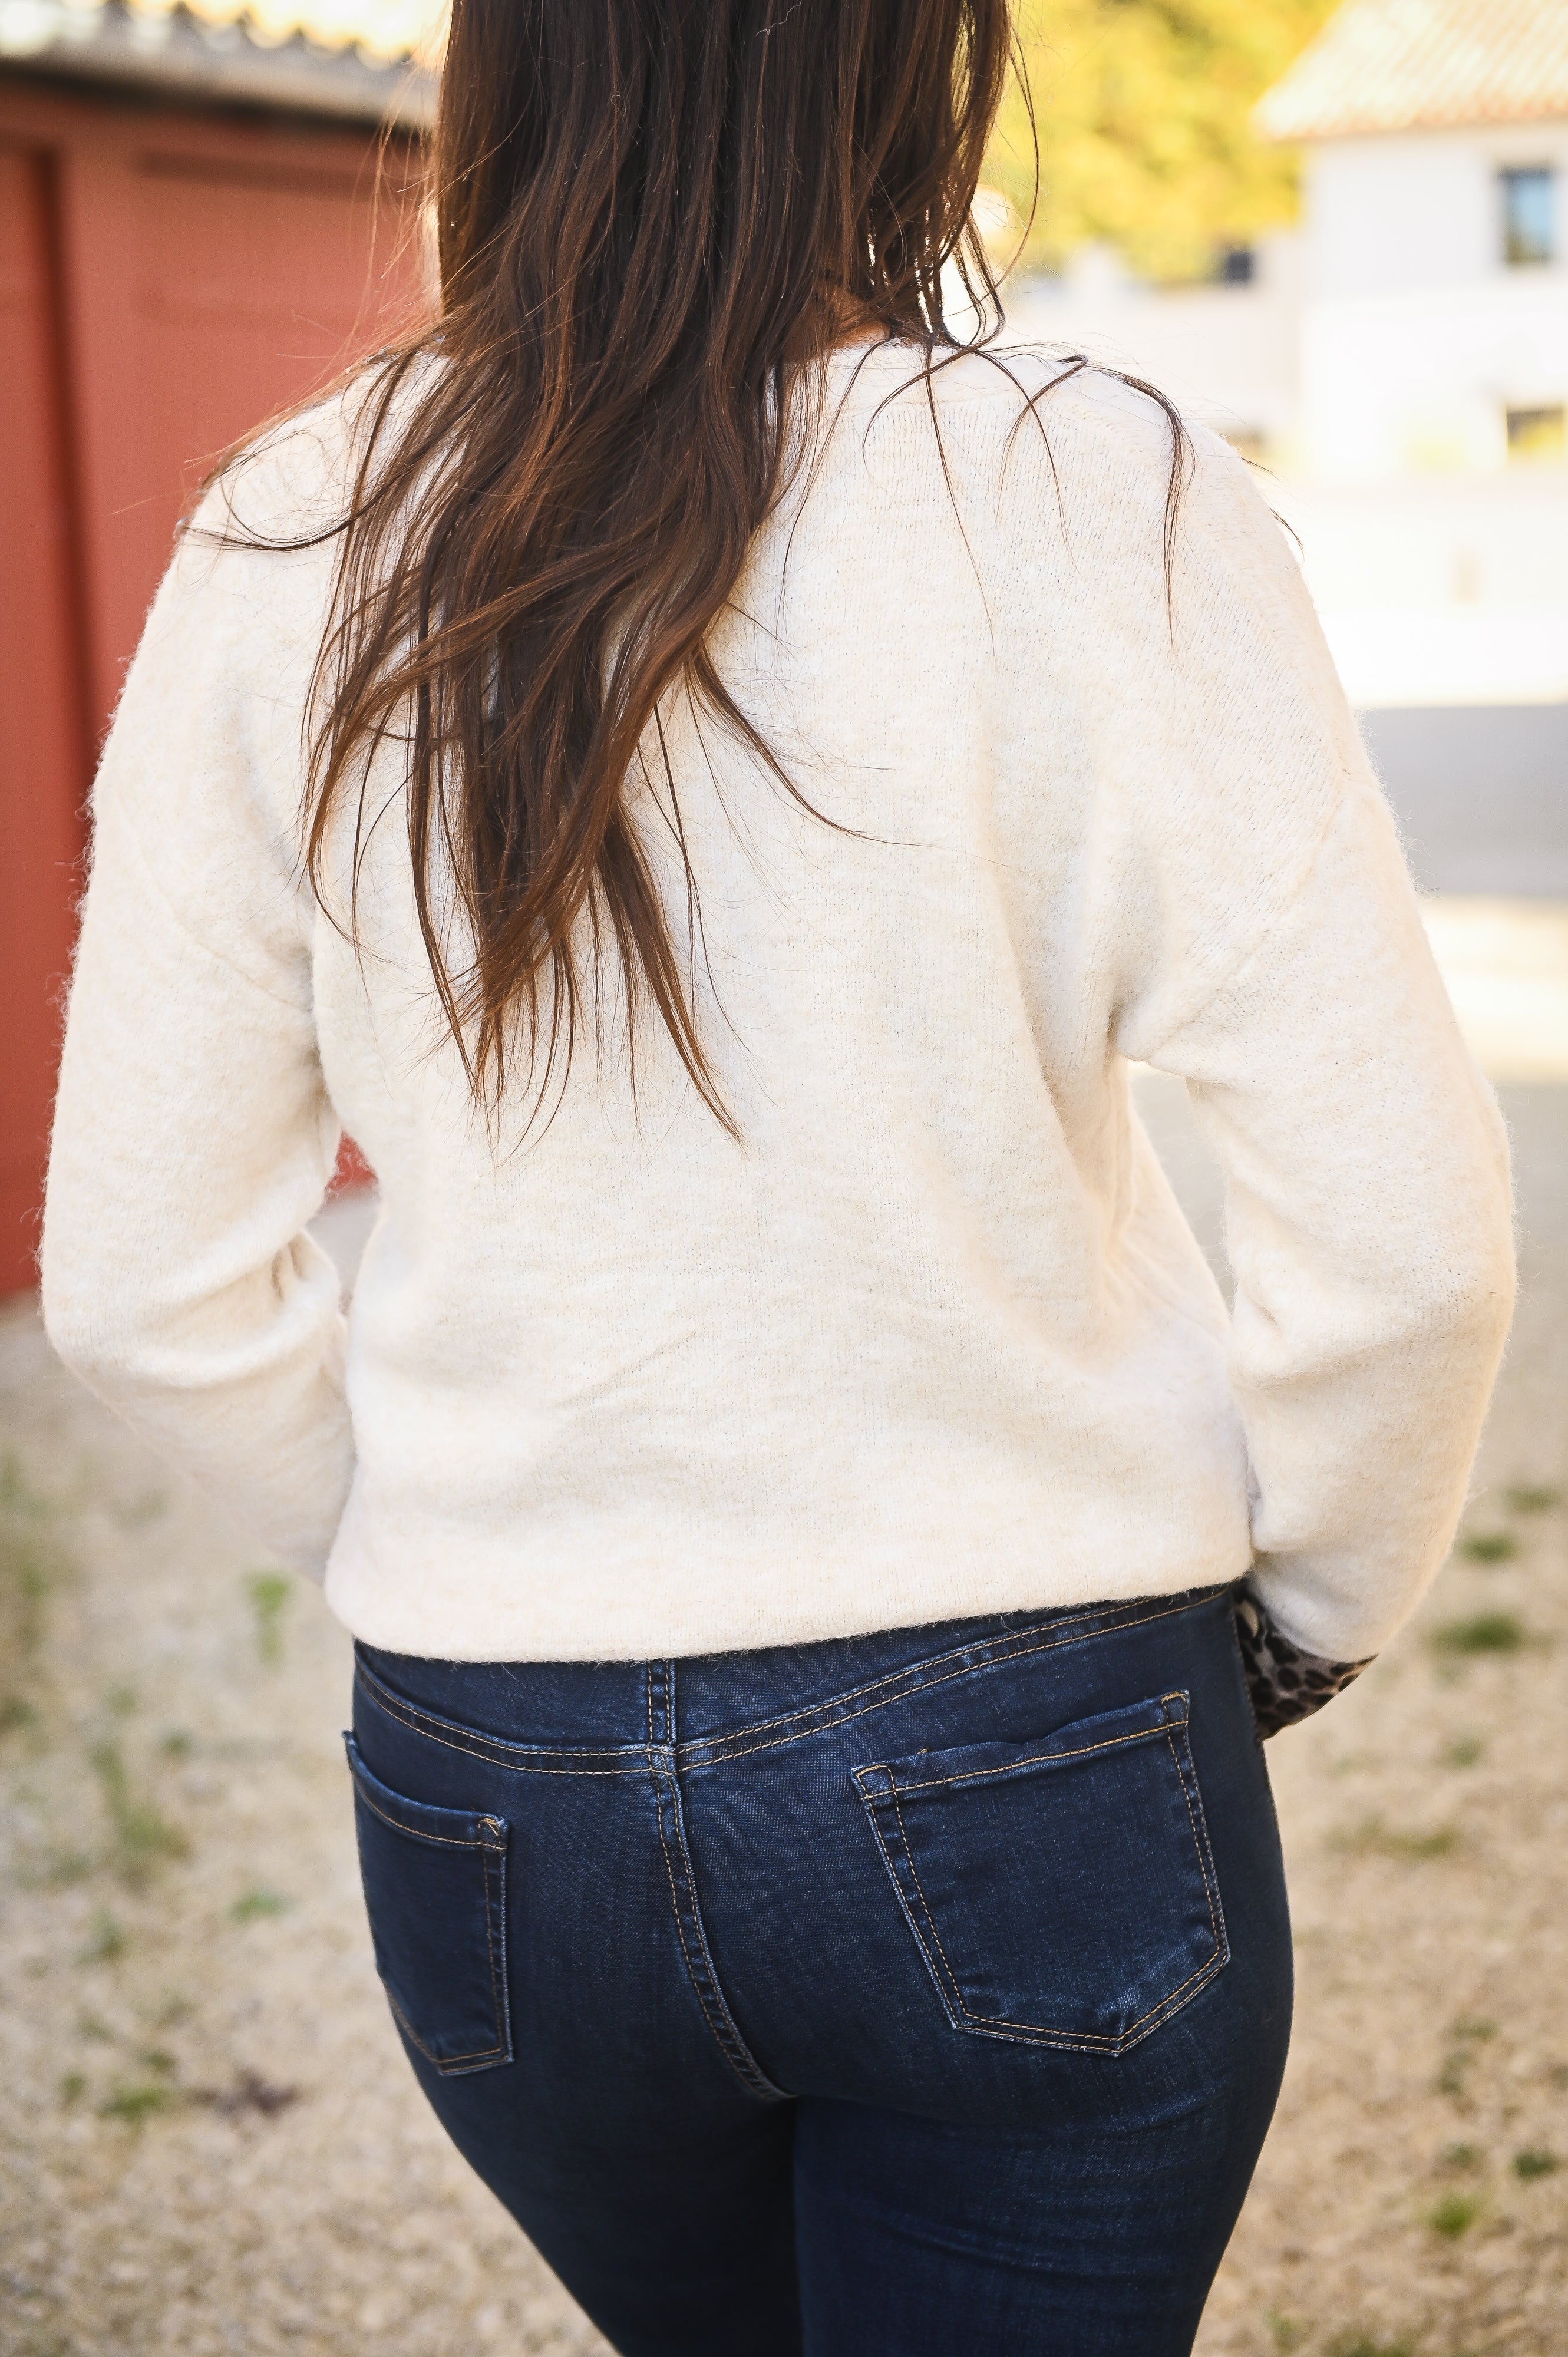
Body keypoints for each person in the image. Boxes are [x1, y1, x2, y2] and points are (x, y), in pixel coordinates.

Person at [41, 1, 1514, 2349]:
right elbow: (1403, 1246)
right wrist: (1304, 1611)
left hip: (493, 1789)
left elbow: (139, 1282)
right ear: (910, 71)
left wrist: (466, 1542)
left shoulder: (287, 534)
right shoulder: (1091, 492)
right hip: (1029, 1734)